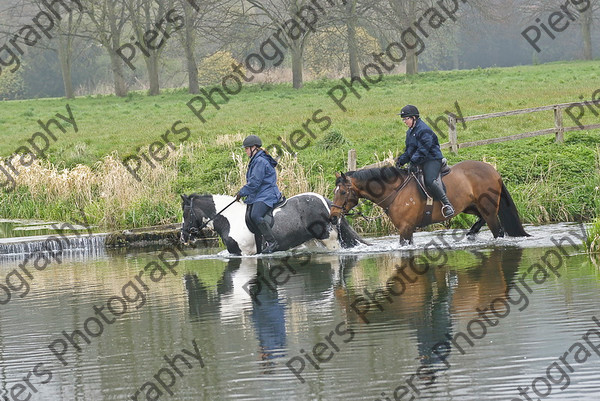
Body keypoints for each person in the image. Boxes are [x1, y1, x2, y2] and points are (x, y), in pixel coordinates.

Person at [395, 105, 455, 218]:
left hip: (432, 159)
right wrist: (401, 161)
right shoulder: (410, 132)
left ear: (414, 118)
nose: (404, 121)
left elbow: (423, 150)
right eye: (403, 119)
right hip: (421, 159)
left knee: (429, 180)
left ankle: (447, 205)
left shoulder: (424, 130)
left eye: (406, 119)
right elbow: (409, 150)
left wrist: (413, 162)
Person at [236, 135, 282, 254]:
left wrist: (241, 193)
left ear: (254, 148)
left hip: (267, 194)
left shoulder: (260, 161)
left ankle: (272, 242)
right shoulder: (256, 160)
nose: (245, 151)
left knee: (256, 215)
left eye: (246, 148)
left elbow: (255, 183)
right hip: (259, 194)